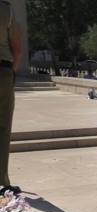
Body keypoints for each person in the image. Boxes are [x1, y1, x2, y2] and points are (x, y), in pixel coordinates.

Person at [0, 1, 23, 195]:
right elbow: (17, 48)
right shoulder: (6, 9)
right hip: (2, 72)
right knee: (3, 128)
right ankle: (1, 181)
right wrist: (11, 73)